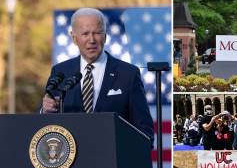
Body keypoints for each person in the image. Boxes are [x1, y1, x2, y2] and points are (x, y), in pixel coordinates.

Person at [39, 8, 154, 146]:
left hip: (113, 160)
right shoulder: (60, 72)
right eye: (85, 34)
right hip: (70, 161)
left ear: (105, 36)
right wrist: (44, 110)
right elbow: (45, 125)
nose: (91, 40)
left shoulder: (128, 74)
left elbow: (144, 133)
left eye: (97, 33)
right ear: (74, 38)